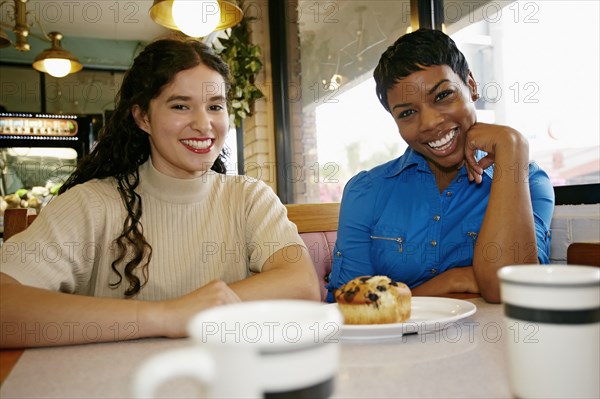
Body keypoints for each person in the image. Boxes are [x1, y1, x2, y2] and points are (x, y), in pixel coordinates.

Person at [0, 38, 321, 348]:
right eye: (181, 105)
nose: (203, 124)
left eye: (214, 106)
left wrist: (195, 311)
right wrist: (168, 316)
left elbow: (303, 285)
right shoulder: (91, 204)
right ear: (143, 118)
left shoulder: (248, 198)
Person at [326, 29, 555, 304]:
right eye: (407, 113)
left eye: (443, 95)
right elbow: (349, 306)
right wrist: (452, 280)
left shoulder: (527, 181)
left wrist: (512, 144)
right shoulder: (365, 192)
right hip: (390, 347)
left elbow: (511, 290)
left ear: (471, 85)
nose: (430, 123)